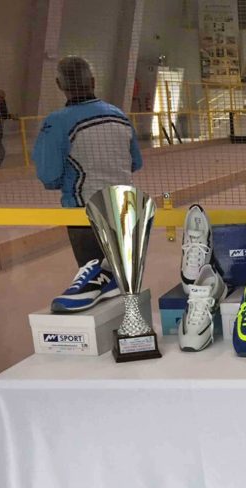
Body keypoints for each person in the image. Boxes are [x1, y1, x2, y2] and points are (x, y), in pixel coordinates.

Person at [32, 56, 142, 312]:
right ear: (92, 81)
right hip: (125, 207)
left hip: (85, 214)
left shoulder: (56, 122)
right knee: (126, 282)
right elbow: (135, 162)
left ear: (60, 85)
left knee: (95, 286)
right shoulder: (119, 116)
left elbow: (49, 174)